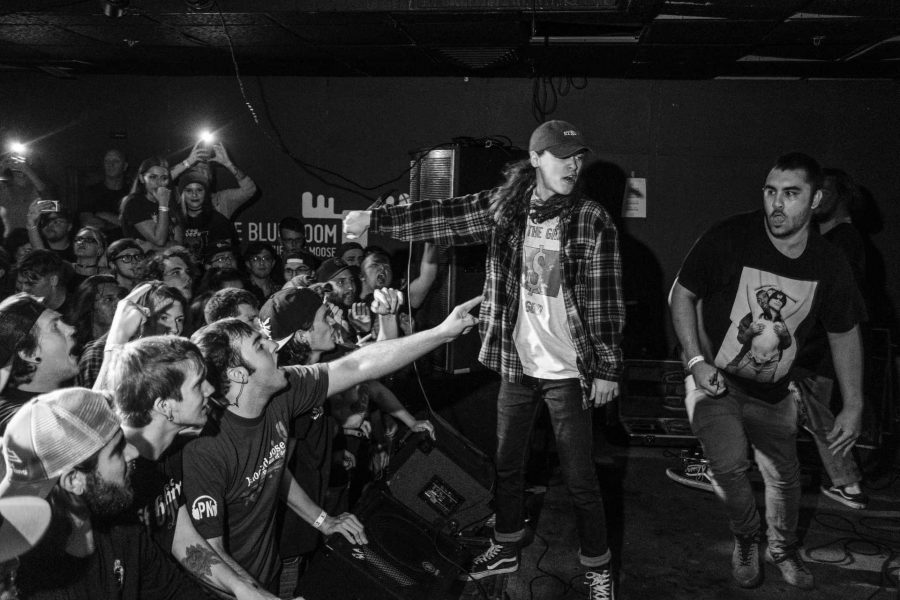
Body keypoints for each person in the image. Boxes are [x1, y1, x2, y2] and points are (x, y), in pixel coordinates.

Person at [343, 119, 624, 597]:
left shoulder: (590, 218)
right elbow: (445, 217)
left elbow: (605, 299)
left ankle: (598, 567)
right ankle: (507, 544)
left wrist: (608, 368)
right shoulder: (506, 209)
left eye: (578, 158)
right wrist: (376, 221)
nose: (573, 166)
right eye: (561, 156)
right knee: (508, 466)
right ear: (536, 159)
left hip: (570, 373)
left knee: (580, 479)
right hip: (518, 366)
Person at [183, 294, 482, 592]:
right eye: (260, 346)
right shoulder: (205, 445)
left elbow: (357, 366)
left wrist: (442, 332)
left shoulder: (283, 391)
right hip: (223, 589)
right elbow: (205, 552)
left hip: (266, 573)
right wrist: (251, 592)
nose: (274, 345)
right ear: (238, 374)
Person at [668, 152, 865, 590]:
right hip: (715, 381)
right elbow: (681, 295)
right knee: (729, 464)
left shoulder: (829, 264)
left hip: (775, 392)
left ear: (816, 200)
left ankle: (782, 547)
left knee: (784, 475)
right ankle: (745, 538)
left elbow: (845, 334)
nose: (777, 204)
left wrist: (853, 405)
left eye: (791, 194)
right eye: (771, 192)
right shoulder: (731, 236)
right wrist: (696, 361)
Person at [104, 331, 283, 600]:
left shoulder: (171, 454)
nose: (211, 390)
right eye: (198, 385)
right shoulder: (112, 478)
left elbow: (187, 543)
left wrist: (245, 590)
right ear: (165, 406)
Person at [0, 387, 210, 599]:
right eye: (117, 450)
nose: (134, 452)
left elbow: (176, 592)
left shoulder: (121, 530)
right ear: (74, 481)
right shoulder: (34, 583)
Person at [0, 293, 80, 432]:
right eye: (55, 326)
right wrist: (115, 342)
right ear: (28, 353)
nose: (71, 329)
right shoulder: (13, 417)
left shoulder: (71, 394)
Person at [170, 140, 258, 221]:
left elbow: (250, 190)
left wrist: (229, 164)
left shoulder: (223, 200)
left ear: (211, 176)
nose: (200, 172)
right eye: (196, 169)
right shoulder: (180, 195)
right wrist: (187, 162)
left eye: (204, 169)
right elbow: (161, 182)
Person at [120, 157, 183, 252]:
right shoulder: (134, 203)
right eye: (153, 177)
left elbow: (179, 246)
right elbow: (159, 240)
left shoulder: (170, 202)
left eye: (164, 178)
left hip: (170, 262)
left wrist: (153, 247)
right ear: (142, 178)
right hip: (142, 263)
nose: (159, 183)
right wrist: (163, 205)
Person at [178, 169, 240, 262]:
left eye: (199, 190)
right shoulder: (176, 219)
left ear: (206, 193)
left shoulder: (219, 221)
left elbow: (225, 254)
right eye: (189, 190)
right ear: (182, 194)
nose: (194, 195)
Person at [80, 148, 129, 238]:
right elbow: (88, 222)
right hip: (99, 245)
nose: (111, 164)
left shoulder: (132, 193)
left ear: (125, 166)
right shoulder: (91, 192)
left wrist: (104, 216)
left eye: (116, 161)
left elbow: (135, 225)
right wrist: (119, 223)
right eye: (107, 161)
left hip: (126, 245)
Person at [66, 273, 123, 349]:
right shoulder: (71, 343)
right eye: (109, 299)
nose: (119, 304)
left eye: (120, 298)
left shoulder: (127, 338)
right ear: (89, 304)